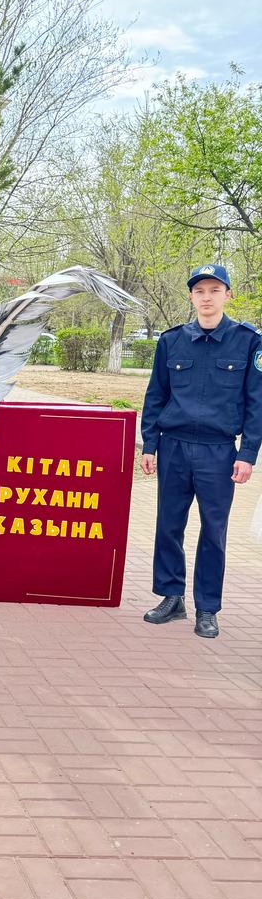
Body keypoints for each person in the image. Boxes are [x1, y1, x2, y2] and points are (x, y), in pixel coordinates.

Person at [139, 263, 261, 639]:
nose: (206, 297)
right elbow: (156, 395)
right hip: (174, 447)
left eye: (214, 290)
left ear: (227, 295)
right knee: (169, 525)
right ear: (191, 296)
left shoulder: (248, 341)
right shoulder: (171, 341)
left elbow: (256, 403)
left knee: (214, 531)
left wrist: (247, 454)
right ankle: (171, 597)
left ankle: (207, 607)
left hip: (218, 451)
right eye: (199, 291)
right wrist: (150, 444)